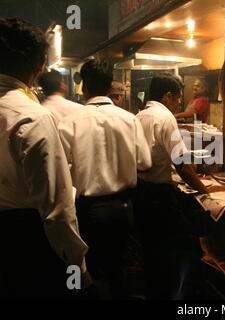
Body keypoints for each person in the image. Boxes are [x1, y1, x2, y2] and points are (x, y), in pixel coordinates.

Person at [0, 17, 89, 299]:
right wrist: (79, 264)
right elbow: (57, 209)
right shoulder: (31, 116)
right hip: (24, 242)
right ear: (39, 64)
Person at [57, 59, 152, 299]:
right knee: (119, 265)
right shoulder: (129, 119)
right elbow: (145, 163)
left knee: (94, 269)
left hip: (88, 209)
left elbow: (61, 170)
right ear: (111, 86)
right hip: (123, 207)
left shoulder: (69, 122)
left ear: (83, 87)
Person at [135, 73, 211, 299]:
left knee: (150, 252)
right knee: (179, 251)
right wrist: (206, 191)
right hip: (160, 197)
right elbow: (182, 165)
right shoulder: (165, 117)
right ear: (168, 96)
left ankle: (154, 292)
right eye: (178, 98)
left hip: (140, 192)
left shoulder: (139, 116)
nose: (179, 103)